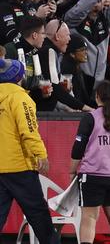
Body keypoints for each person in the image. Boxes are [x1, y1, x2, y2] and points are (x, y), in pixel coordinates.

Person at [0, 59, 58, 244]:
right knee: (39, 216)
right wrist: (41, 154)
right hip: (19, 167)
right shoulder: (20, 98)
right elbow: (29, 130)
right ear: (18, 76)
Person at [69, 81, 110, 244]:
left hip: (93, 176)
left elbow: (78, 147)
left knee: (89, 218)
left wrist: (72, 171)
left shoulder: (90, 118)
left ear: (97, 97)